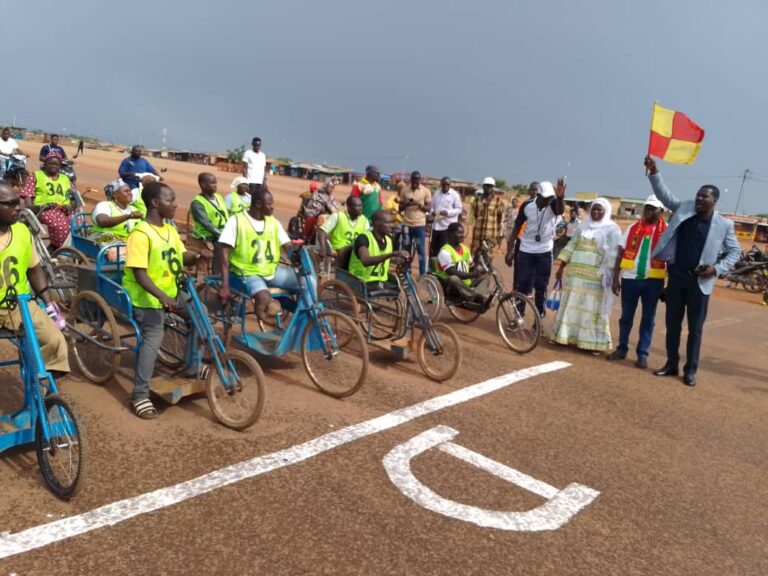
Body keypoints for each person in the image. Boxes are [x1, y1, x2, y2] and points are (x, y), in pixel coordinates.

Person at [644, 155, 740, 386]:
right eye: (698, 194)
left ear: (714, 200)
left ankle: (690, 370)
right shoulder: (685, 208)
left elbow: (735, 251)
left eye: (704, 196)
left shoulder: (724, 224)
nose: (698, 198)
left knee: (695, 329)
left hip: (700, 284)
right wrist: (654, 172)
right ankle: (671, 363)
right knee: (672, 325)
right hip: (677, 278)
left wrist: (716, 269)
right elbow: (664, 196)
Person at [122, 182, 201, 419]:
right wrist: (162, 297)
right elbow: (140, 274)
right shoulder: (140, 234)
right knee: (154, 336)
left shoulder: (170, 230)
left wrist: (197, 256)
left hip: (170, 290)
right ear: (155, 203)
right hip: (145, 297)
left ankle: (192, 366)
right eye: (170, 200)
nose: (175, 204)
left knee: (201, 313)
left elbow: (181, 255)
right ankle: (139, 394)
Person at [0, 182, 69, 376]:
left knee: (55, 341)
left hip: (17, 304)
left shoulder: (22, 232)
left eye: (18, 202)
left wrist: (49, 304)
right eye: (10, 204)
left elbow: (35, 270)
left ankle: (42, 385)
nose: (18, 208)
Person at [218, 187, 306, 323]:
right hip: (247, 273)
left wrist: (299, 252)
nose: (273, 207)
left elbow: (288, 246)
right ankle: (270, 316)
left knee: (307, 281)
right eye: (269, 203)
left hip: (271, 271)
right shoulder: (236, 221)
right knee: (265, 300)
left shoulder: (273, 222)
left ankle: (305, 320)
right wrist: (225, 285)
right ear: (259, 204)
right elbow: (224, 252)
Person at [551, 198, 622, 352]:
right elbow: (571, 246)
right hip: (575, 275)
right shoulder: (582, 226)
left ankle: (593, 343)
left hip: (595, 277)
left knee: (592, 307)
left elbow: (616, 254)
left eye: (599, 209)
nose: (596, 212)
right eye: (594, 209)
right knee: (571, 303)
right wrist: (561, 267)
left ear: (606, 211)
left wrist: (610, 274)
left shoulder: (612, 229)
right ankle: (564, 336)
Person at [607, 195, 667, 369]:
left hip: (653, 281)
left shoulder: (667, 231)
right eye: (646, 208)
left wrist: (668, 285)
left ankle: (642, 354)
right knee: (626, 316)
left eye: (652, 209)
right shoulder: (633, 227)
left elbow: (671, 258)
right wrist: (616, 278)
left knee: (648, 319)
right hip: (630, 279)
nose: (648, 211)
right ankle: (622, 349)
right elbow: (620, 252)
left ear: (661, 211)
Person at [505, 179, 566, 316]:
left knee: (541, 285)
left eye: (550, 198)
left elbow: (560, 209)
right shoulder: (527, 206)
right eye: (545, 198)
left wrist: (560, 197)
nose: (548, 201)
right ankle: (518, 314)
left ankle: (539, 318)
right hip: (526, 250)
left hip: (544, 251)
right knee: (522, 284)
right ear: (538, 195)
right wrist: (509, 249)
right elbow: (517, 226)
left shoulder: (553, 205)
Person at [19, 151, 74, 249]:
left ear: (60, 166)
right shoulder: (36, 176)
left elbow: (73, 197)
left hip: (64, 209)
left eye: (56, 164)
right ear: (45, 164)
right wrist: (34, 207)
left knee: (77, 223)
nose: (53, 166)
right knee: (61, 226)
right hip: (44, 209)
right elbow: (27, 197)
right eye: (51, 163)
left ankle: (72, 247)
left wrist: (70, 206)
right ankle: (57, 248)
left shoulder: (65, 178)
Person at [348, 210, 409, 290]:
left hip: (379, 281)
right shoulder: (364, 238)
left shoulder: (388, 240)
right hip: (360, 280)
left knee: (398, 286)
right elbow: (366, 261)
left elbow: (384, 258)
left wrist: (399, 259)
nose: (392, 226)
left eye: (392, 222)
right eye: (388, 223)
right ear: (377, 224)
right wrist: (392, 254)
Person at [434, 223, 486, 305]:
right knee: (453, 278)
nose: (462, 235)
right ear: (450, 234)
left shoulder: (465, 249)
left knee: (486, 275)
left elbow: (471, 267)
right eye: (459, 233)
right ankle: (473, 297)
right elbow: (452, 272)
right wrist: (473, 275)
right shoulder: (445, 251)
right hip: (450, 286)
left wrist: (478, 262)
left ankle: (473, 295)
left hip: (466, 283)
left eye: (463, 233)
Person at [189, 172, 228, 274]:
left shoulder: (219, 197)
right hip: (207, 235)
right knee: (221, 245)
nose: (215, 185)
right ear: (203, 184)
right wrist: (222, 234)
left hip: (222, 231)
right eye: (212, 183)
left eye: (216, 183)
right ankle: (217, 274)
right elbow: (206, 223)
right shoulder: (197, 203)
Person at [507, 182, 540, 291]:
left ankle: (527, 294)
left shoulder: (543, 207)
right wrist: (510, 250)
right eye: (533, 190)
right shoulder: (524, 205)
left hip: (535, 245)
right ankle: (516, 295)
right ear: (529, 191)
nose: (535, 192)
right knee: (518, 272)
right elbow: (516, 227)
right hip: (521, 241)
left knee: (531, 273)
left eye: (537, 190)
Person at [398, 171, 432, 275]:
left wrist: (419, 205)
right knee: (406, 248)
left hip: (419, 225)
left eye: (417, 180)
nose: (415, 182)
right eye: (413, 180)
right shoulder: (404, 190)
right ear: (411, 179)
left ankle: (422, 273)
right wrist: (406, 204)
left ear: (420, 180)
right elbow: (400, 208)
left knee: (420, 250)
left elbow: (429, 208)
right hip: (407, 224)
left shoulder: (426, 191)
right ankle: (406, 271)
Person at [317, 196, 368, 264]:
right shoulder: (338, 216)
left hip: (356, 250)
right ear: (349, 207)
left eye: (361, 205)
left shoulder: (364, 220)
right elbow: (322, 231)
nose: (361, 208)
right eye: (357, 206)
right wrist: (323, 247)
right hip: (339, 249)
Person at [469, 177, 506, 254]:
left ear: (493, 187)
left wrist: (498, 230)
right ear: (483, 186)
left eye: (490, 186)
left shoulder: (498, 201)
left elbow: (500, 216)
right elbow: (475, 215)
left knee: (488, 256)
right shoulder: (477, 201)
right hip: (478, 234)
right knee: (475, 255)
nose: (489, 187)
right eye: (487, 185)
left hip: (491, 235)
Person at [430, 177, 463, 257]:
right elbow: (432, 207)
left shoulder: (454, 195)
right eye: (443, 184)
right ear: (441, 184)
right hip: (436, 227)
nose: (445, 186)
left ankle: (442, 264)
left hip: (447, 228)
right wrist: (432, 212)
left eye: (447, 184)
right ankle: (433, 264)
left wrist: (447, 212)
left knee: (443, 250)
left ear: (450, 185)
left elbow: (459, 209)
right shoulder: (436, 194)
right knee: (433, 250)